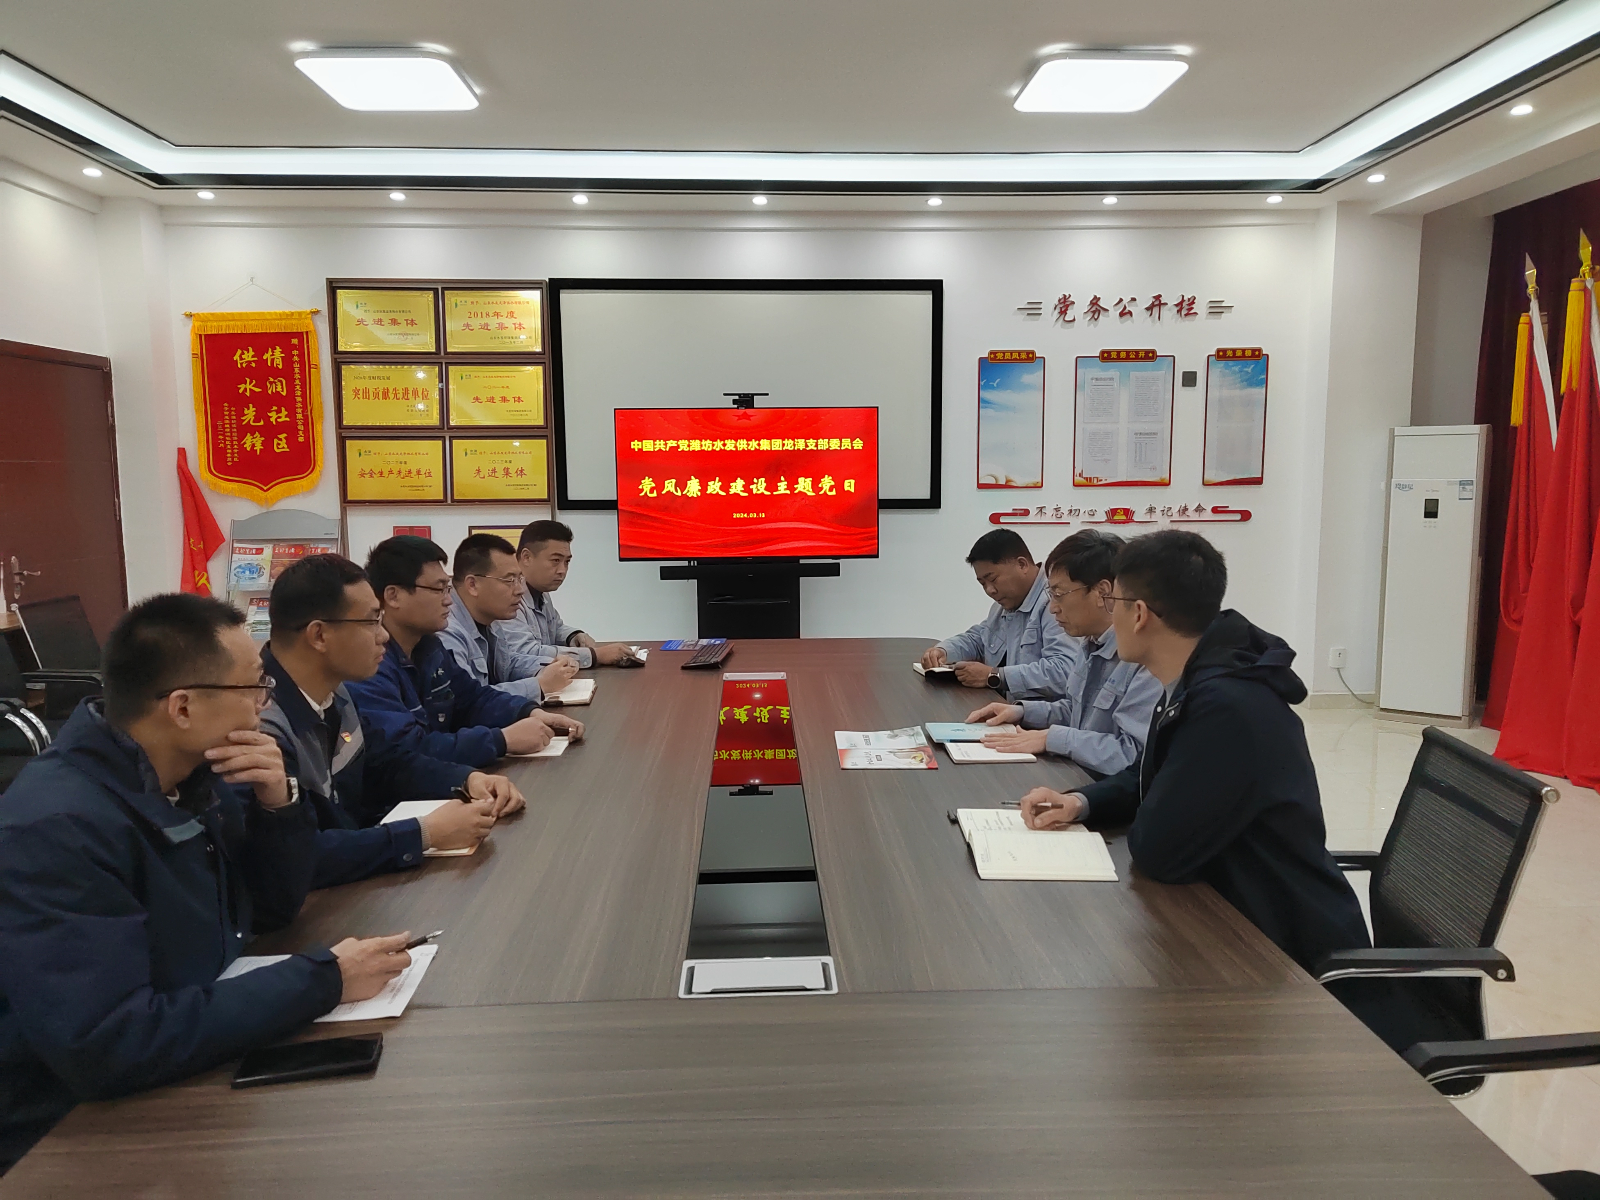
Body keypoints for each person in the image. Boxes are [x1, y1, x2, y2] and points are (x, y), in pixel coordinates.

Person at [0, 594, 414, 1172]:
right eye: (254, 688)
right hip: (69, 1137)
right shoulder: (58, 827)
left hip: (186, 1065)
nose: (265, 705)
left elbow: (269, 908)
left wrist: (279, 805)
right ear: (183, 707)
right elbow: (109, 1044)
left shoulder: (193, 776)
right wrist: (324, 980)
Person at [1017, 530, 1371, 975]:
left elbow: (1157, 850)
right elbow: (1153, 773)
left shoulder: (1226, 708)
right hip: (1234, 914)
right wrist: (1081, 802)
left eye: (1116, 603)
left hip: (1284, 956)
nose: (1111, 615)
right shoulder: (1199, 682)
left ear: (1139, 614)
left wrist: (1144, 806)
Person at [260, 554, 525, 890]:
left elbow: (387, 762)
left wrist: (467, 779)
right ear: (319, 635)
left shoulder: (336, 694)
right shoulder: (263, 727)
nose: (383, 635)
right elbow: (301, 856)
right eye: (371, 622)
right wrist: (425, 833)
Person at [348, 535, 583, 767]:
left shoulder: (429, 646)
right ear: (393, 596)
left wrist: (530, 713)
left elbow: (473, 699)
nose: (448, 601)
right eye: (438, 589)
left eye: (447, 588)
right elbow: (408, 751)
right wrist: (502, 740)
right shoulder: (370, 667)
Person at [966, 529, 1161, 778]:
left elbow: (1134, 757)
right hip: (1075, 775)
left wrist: (1052, 738)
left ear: (1102, 592)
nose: (1053, 608)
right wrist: (1022, 711)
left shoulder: (1145, 660)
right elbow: (1076, 712)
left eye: (1059, 595)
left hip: (1103, 790)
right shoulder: (1090, 643)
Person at [920, 528, 1077, 700]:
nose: (990, 590)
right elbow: (979, 639)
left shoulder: (1054, 603)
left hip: (1042, 715)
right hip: (1008, 708)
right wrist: (944, 650)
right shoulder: (1005, 603)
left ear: (1022, 565)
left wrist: (994, 676)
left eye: (993, 579)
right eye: (982, 583)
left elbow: (1064, 671)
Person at [440, 534, 579, 702]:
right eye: (509, 580)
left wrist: (549, 665)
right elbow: (469, 701)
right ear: (472, 585)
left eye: (519, 579)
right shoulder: (446, 631)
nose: (520, 590)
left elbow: (506, 664)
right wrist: (539, 685)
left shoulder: (490, 618)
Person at [497, 520, 640, 670]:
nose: (562, 570)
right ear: (526, 557)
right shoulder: (508, 596)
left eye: (567, 562)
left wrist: (573, 636)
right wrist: (595, 655)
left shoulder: (540, 592)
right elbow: (525, 653)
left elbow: (555, 628)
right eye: (555, 560)